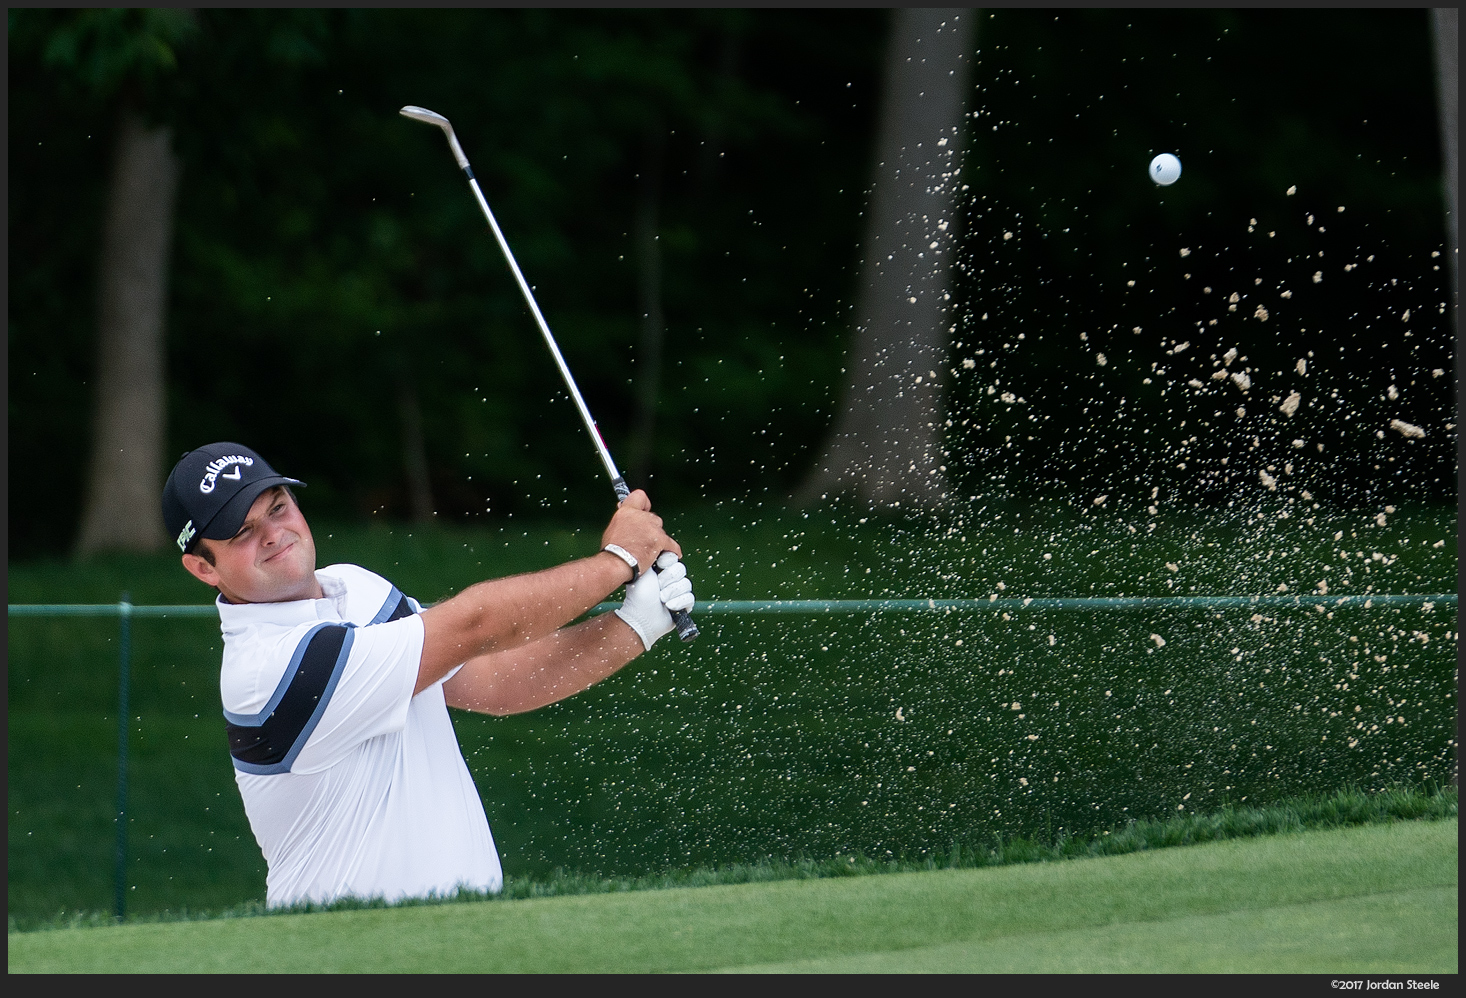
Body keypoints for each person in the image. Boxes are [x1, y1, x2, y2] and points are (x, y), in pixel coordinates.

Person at [161, 442, 694, 908]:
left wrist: (635, 626)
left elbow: (492, 678)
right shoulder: (269, 669)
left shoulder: (355, 588)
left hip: (461, 942)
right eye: (244, 532)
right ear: (203, 567)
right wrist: (620, 559)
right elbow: (475, 626)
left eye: (278, 509)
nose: (274, 534)